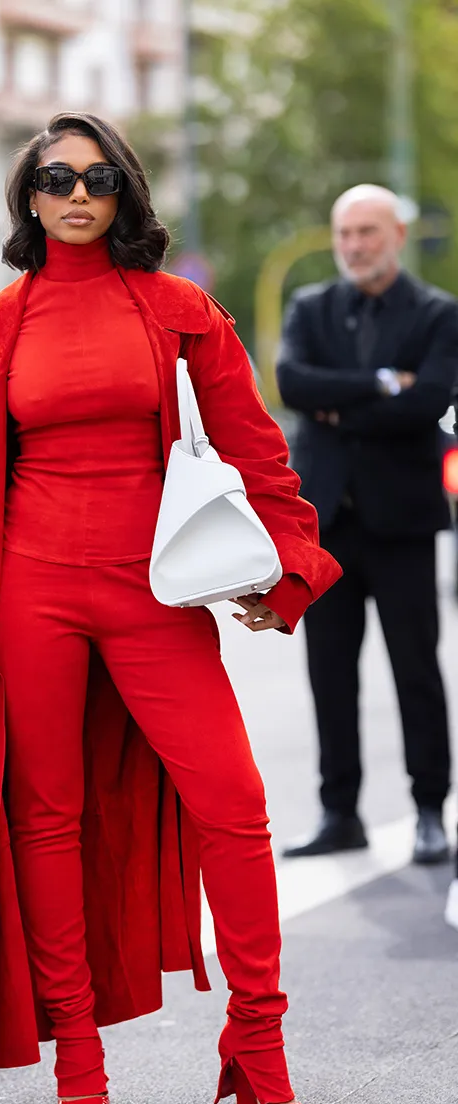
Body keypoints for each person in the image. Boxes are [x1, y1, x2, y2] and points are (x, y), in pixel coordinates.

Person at [0, 112, 341, 1104]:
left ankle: (259, 1052)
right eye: (55, 177)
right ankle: (78, 1057)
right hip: (31, 598)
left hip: (152, 594)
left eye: (96, 177)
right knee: (44, 819)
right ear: (27, 196)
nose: (75, 194)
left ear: (123, 192)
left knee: (233, 806)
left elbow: (256, 450)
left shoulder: (177, 308)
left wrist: (286, 576)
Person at [277, 185, 456, 864]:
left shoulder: (438, 314)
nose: (354, 245)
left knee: (417, 673)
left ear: (398, 236)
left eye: (368, 232)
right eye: (345, 233)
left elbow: (432, 400)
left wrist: (342, 402)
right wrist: (385, 384)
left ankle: (431, 811)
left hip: (404, 523)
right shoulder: (310, 306)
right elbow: (294, 383)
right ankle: (338, 812)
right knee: (329, 674)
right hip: (326, 526)